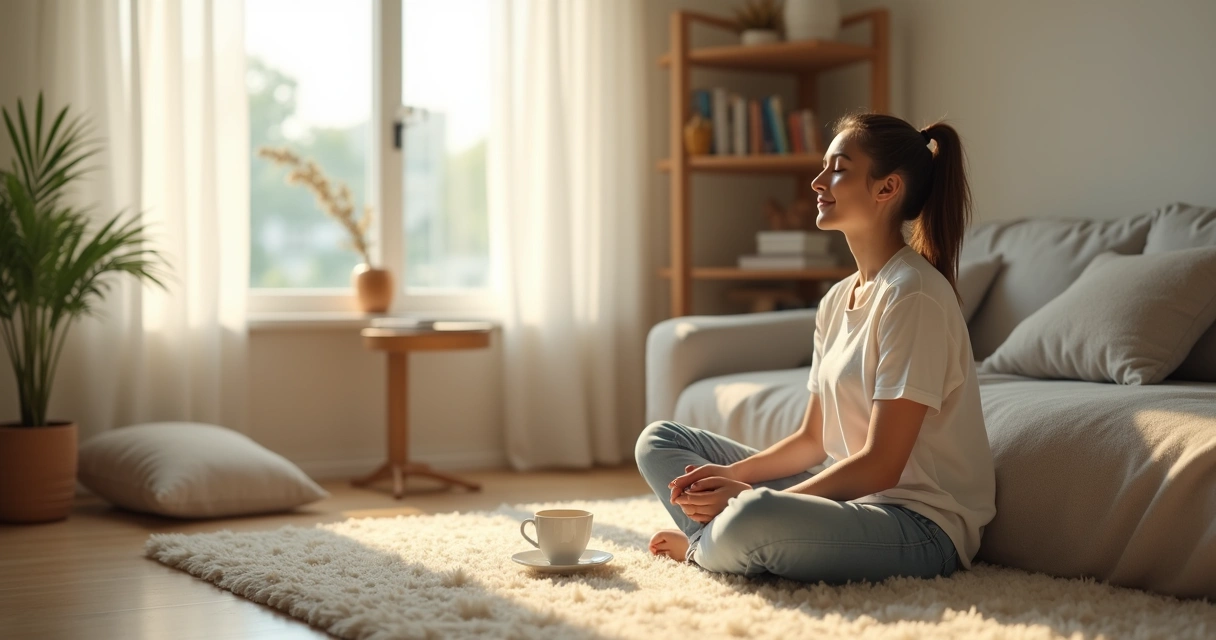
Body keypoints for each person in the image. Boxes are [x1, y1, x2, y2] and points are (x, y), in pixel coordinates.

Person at [634, 112, 996, 584]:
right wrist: (735, 480)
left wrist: (744, 500)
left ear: (887, 189)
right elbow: (811, 441)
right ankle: (721, 541)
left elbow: (882, 465)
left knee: (754, 518)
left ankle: (703, 545)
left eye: (839, 169)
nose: (817, 181)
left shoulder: (914, 296)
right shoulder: (834, 300)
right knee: (659, 441)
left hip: (918, 524)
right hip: (851, 501)